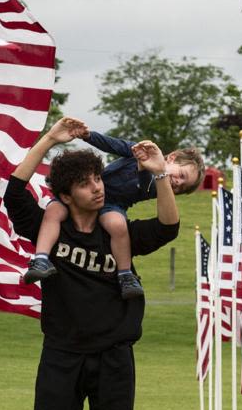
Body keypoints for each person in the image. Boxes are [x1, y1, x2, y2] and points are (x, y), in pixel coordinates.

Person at [5, 117, 181, 410]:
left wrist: (161, 174)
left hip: (114, 358)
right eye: (85, 184)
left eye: (97, 179)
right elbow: (15, 192)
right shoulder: (49, 230)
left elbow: (168, 227)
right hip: (62, 355)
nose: (97, 187)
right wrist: (50, 138)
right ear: (66, 195)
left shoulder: (120, 233)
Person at [23, 118, 203, 300]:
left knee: (118, 225)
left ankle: (125, 275)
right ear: (171, 158)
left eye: (182, 187)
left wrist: (146, 170)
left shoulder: (159, 183)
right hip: (90, 189)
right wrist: (88, 136)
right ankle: (41, 259)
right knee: (54, 210)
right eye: (181, 175)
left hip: (112, 205)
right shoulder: (141, 151)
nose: (178, 182)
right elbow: (114, 145)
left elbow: (144, 188)